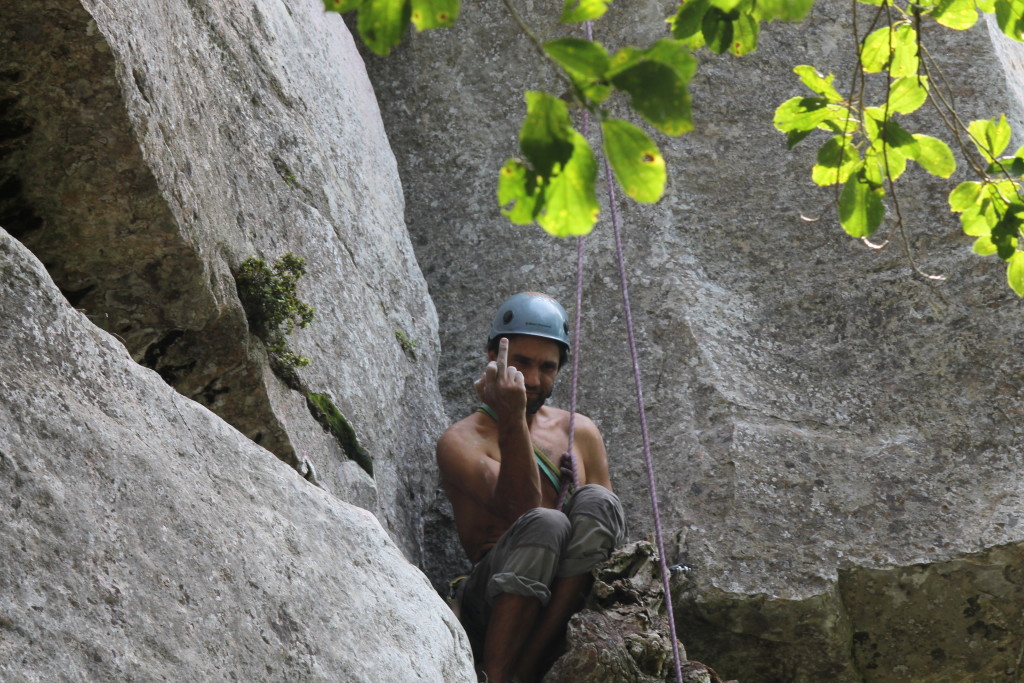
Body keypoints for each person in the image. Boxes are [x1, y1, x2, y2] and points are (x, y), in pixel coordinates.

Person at [437, 292, 626, 683]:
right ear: (494, 356)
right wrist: (512, 417)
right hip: (491, 598)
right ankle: (499, 675)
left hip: (565, 598)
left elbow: (606, 540)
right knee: (546, 523)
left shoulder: (580, 431)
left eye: (548, 367)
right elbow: (521, 509)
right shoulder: (462, 441)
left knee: (599, 501)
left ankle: (530, 664)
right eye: (521, 363)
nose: (535, 380)